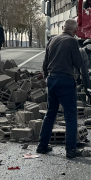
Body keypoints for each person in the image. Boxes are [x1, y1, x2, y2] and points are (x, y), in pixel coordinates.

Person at [36, 19, 84, 158]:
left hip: (51, 79)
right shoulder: (72, 41)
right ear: (75, 32)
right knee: (70, 115)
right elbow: (78, 63)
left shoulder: (52, 40)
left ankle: (42, 146)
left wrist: (46, 77)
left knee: (50, 113)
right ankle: (70, 150)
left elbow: (45, 64)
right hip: (65, 80)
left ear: (63, 28)